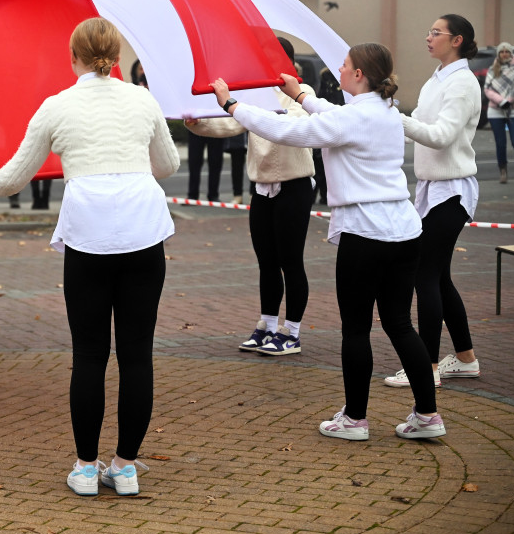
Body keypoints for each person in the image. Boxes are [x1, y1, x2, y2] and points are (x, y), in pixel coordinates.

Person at [212, 42, 446, 442]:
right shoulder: (386, 111)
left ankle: (355, 419)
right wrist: (299, 93)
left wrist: (232, 104)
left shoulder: (353, 119)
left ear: (359, 75)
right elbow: (332, 115)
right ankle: (427, 415)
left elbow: (289, 129)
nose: (339, 68)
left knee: (356, 329)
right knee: (400, 324)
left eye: (345, 65)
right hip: (404, 231)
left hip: (365, 233)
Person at [0, 18, 180, 496]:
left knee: (89, 355)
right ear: (116, 56)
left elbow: (13, 178)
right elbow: (170, 165)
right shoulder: (142, 98)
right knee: (138, 356)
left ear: (72, 56)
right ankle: (127, 466)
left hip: (89, 236)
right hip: (142, 231)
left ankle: (86, 468)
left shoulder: (57, 106)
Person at [187, 36, 316, 357]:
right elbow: (230, 124)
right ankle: (267, 325)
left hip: (294, 187)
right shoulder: (255, 94)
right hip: (262, 188)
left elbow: (295, 127)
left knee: (291, 261)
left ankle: (292, 332)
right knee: (267, 262)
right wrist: (198, 123)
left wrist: (246, 109)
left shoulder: (302, 93)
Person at [383, 15, 483, 389]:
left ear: (456, 39)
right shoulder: (437, 79)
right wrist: (386, 120)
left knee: (424, 274)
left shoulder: (462, 83)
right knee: (438, 277)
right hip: (432, 189)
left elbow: (440, 136)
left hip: (451, 190)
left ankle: (425, 367)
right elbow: (417, 131)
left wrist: (396, 118)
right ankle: (465, 359)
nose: (427, 37)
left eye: (435, 33)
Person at [484, 41, 514, 184]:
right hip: (495, 110)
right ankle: (503, 170)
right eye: (501, 52)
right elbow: (487, 89)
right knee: (500, 143)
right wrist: (501, 101)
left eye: (507, 51)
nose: (504, 54)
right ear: (499, 54)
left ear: (511, 53)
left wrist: (509, 100)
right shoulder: (492, 69)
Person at [314, 68, 344, 204]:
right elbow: (322, 97)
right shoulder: (326, 76)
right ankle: (323, 194)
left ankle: (326, 194)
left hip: (337, 120)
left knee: (328, 163)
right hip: (328, 119)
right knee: (320, 163)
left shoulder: (337, 78)